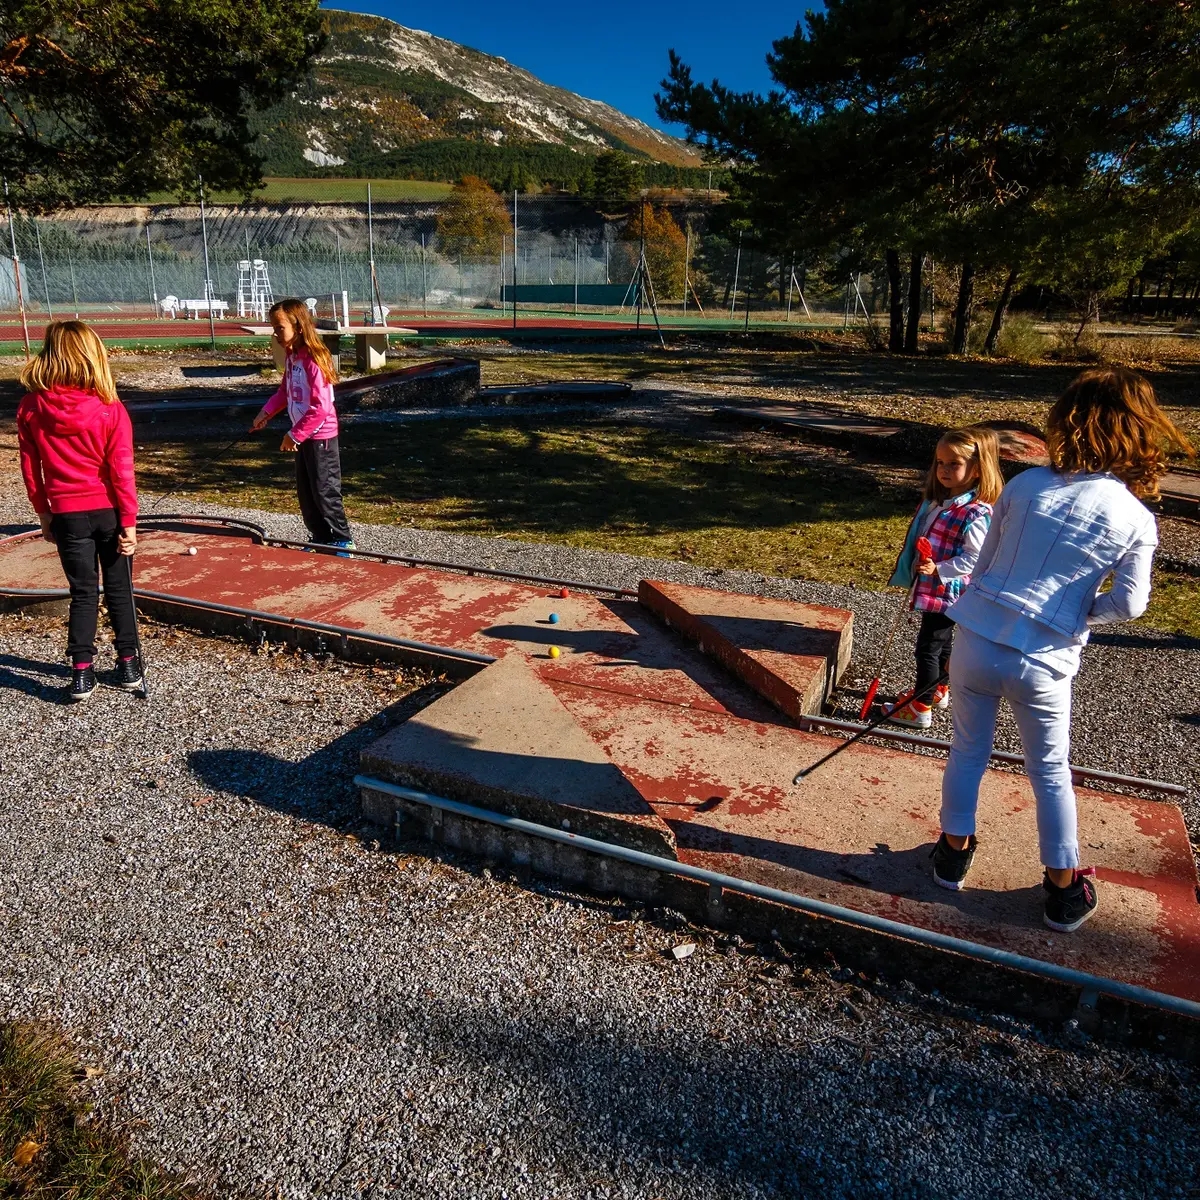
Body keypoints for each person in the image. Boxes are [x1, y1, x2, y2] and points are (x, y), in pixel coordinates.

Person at [932, 367, 1192, 931]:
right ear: (1137, 429)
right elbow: (1130, 605)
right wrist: (1078, 612)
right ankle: (1063, 887)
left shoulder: (1025, 485)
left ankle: (952, 852)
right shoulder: (1135, 517)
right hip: (1044, 658)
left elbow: (985, 565)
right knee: (1049, 770)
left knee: (967, 748)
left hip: (976, 637)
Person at [17, 321, 140, 702]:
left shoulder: (32, 406)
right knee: (120, 588)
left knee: (82, 592)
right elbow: (122, 470)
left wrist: (43, 513)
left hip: (67, 513)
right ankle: (129, 663)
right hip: (109, 511)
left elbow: (30, 467)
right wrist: (131, 522)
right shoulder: (109, 408)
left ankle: (82, 671)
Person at [883, 426, 1003, 729]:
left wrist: (939, 569)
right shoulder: (944, 503)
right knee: (942, 643)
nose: (944, 469)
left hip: (948, 591)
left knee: (928, 647)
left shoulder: (975, 513)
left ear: (976, 470)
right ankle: (938, 689)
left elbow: (976, 558)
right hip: (938, 589)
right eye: (940, 462)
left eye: (954, 464)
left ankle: (921, 706)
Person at [251, 298, 355, 552]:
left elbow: (322, 407)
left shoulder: (314, 359)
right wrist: (265, 412)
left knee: (325, 489)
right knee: (307, 491)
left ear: (298, 327)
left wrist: (294, 436)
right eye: (273, 328)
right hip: (303, 436)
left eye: (279, 328)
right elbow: (284, 392)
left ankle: (342, 539)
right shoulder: (292, 357)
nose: (275, 334)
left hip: (321, 438)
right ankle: (319, 536)